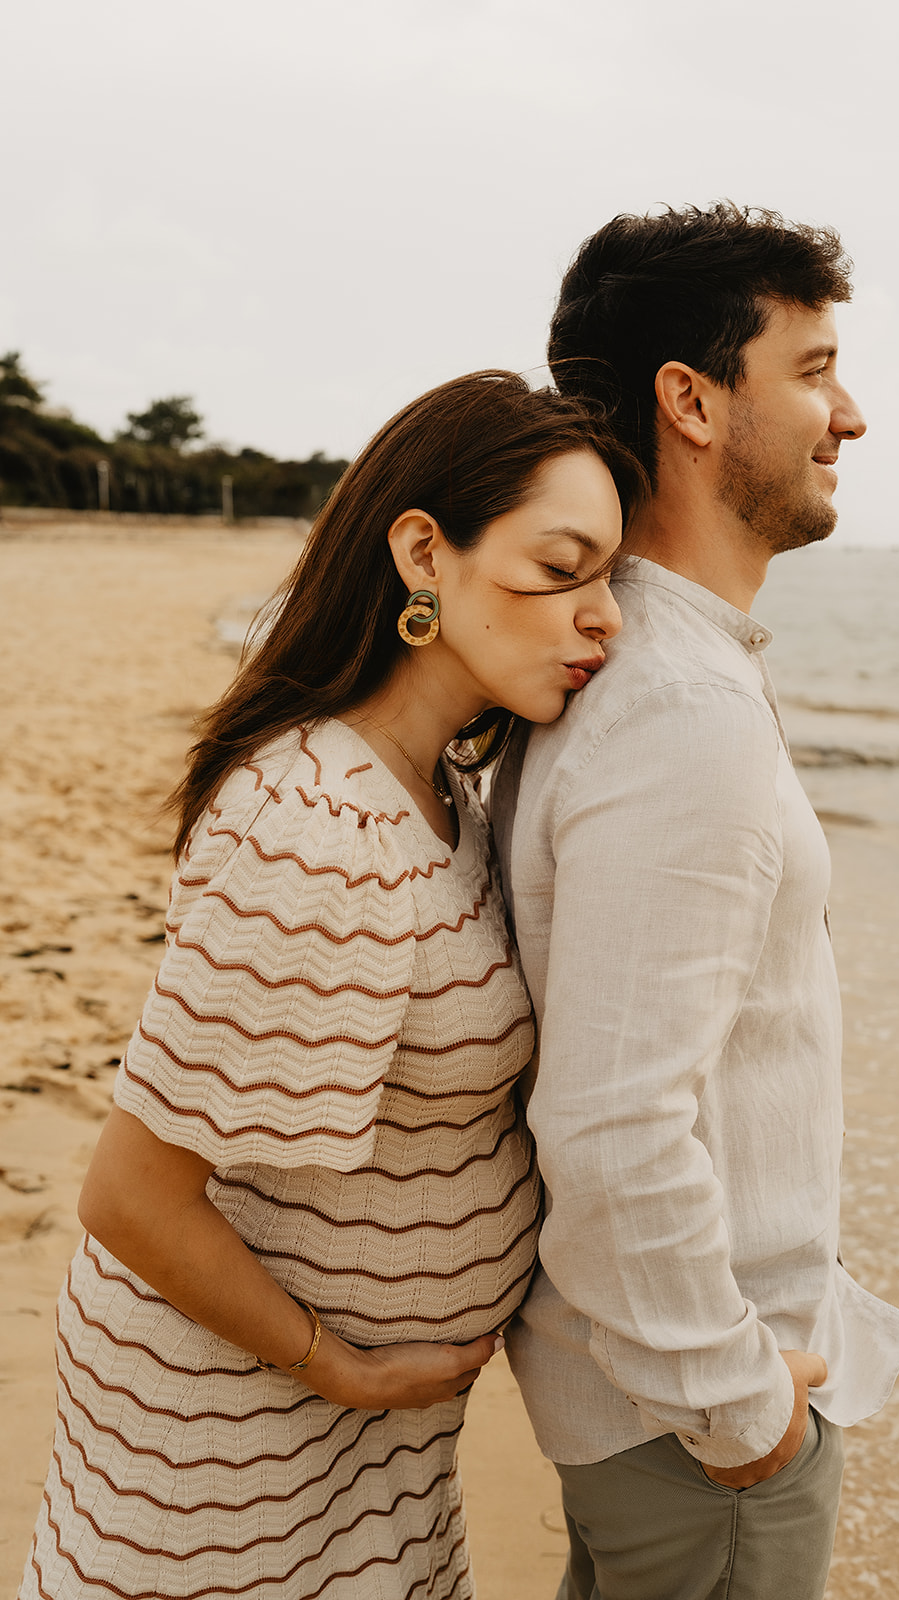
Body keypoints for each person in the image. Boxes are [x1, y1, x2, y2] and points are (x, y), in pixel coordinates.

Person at [20, 370, 643, 1600]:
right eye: (560, 568)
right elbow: (132, 1195)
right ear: (423, 552)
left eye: (610, 578)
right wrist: (336, 1366)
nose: (602, 617)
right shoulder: (314, 826)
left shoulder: (440, 789)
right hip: (237, 1434)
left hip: (359, 1439)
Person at [491, 206, 899, 1600]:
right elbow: (611, 1125)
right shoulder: (675, 711)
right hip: (691, 1418)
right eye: (809, 370)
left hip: (654, 1394)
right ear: (691, 400)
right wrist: (744, 1419)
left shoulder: (633, 660)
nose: (846, 413)